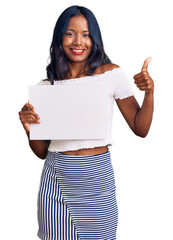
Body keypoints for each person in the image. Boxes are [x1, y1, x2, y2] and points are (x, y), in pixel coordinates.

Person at [19, 5, 154, 240]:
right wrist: (28, 129)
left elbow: (140, 128)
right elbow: (42, 152)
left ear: (95, 39)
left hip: (97, 184)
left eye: (86, 34)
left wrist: (149, 93)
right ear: (59, 38)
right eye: (70, 33)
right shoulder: (45, 88)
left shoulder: (110, 75)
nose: (78, 41)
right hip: (56, 184)